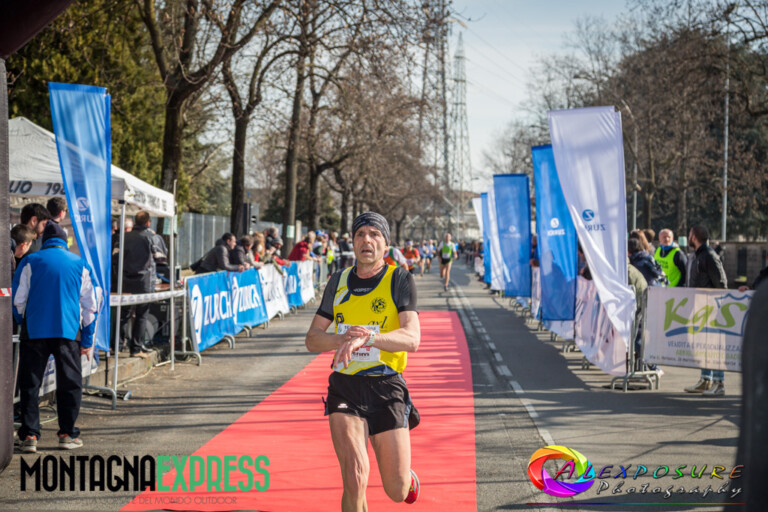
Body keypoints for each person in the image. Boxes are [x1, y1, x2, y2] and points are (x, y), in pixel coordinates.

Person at [305, 212, 421, 510]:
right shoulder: (338, 281)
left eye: (374, 234)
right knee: (355, 477)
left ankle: (406, 479)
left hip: (387, 387)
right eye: (360, 234)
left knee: (397, 490)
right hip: (345, 386)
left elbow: (412, 338)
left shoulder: (399, 278)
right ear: (353, 242)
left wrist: (369, 338)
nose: (366, 240)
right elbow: (312, 339)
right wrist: (343, 339)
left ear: (386, 245)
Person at [12, 221, 98, 452]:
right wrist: (87, 340)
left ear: (44, 241)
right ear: (64, 241)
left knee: (30, 384)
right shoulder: (80, 263)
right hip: (68, 331)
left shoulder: (30, 260)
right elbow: (90, 307)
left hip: (35, 330)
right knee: (70, 383)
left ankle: (30, 435)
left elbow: (18, 300)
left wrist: (23, 321)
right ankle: (67, 434)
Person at [684, 225, 728, 396]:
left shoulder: (709, 255)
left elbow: (721, 282)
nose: (688, 237)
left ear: (694, 237)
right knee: (704, 346)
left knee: (714, 346)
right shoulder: (698, 255)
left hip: (711, 308)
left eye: (690, 234)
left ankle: (719, 382)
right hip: (700, 308)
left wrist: (715, 303)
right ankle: (706, 379)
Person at [120, 211, 160, 358]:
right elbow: (161, 257)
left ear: (135, 221)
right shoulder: (151, 237)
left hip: (125, 280)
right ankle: (136, 349)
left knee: (123, 314)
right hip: (144, 281)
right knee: (141, 315)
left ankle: (117, 346)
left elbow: (116, 256)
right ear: (148, 222)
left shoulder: (124, 237)